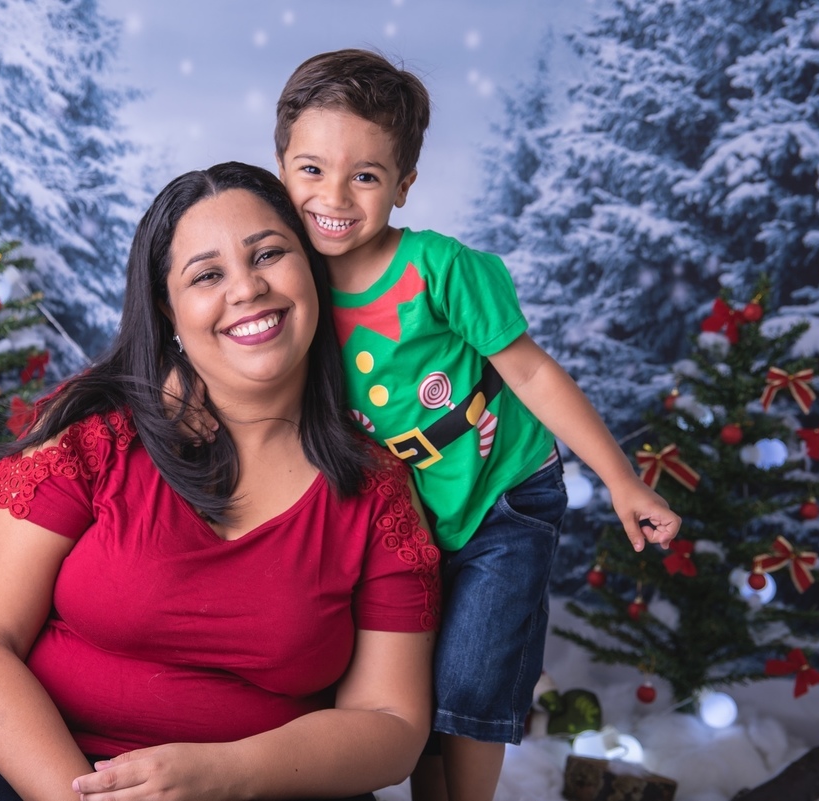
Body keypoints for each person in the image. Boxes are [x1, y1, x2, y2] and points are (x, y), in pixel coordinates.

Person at [0, 161, 440, 801]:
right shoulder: (95, 438)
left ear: (312, 269)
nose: (246, 288)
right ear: (168, 308)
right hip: (29, 768)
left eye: (268, 255)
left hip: (267, 788)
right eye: (206, 275)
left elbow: (390, 723)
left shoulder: (376, 492)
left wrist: (224, 775)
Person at [269, 49, 684, 801]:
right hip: (403, 515)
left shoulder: (441, 269)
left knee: (472, 679)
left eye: (365, 176)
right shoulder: (289, 286)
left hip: (502, 495)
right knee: (412, 686)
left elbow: (532, 373)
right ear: (280, 168)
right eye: (311, 169)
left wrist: (621, 480)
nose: (334, 195)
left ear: (404, 184)